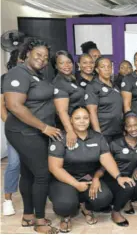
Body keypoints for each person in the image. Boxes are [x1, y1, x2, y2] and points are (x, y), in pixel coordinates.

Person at [3, 39, 62, 234]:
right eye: (38, 55)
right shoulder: (17, 73)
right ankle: (40, 221)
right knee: (42, 174)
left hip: (33, 131)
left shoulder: (34, 74)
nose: (42, 59)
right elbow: (14, 106)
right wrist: (44, 127)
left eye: (45, 57)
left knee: (28, 173)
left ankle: (28, 215)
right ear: (27, 53)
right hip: (25, 132)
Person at [48, 107, 135, 233]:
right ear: (71, 120)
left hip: (88, 178)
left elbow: (107, 159)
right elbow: (54, 168)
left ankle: (85, 206)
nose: (82, 121)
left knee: (104, 198)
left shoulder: (97, 137)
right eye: (77, 118)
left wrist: (118, 176)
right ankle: (66, 216)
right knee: (65, 205)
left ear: (90, 120)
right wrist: (75, 184)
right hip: (64, 180)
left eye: (85, 118)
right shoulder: (60, 138)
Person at [96, 112, 137, 227]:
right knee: (128, 186)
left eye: (136, 125)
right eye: (129, 126)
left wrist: (136, 168)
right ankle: (116, 212)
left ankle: (125, 200)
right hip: (112, 178)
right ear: (125, 128)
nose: (133, 129)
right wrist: (96, 177)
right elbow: (104, 166)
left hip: (129, 176)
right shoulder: (114, 144)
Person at [1, 49, 24, 216]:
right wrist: (10, 124)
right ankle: (7, 200)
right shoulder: (6, 78)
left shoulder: (35, 77)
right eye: (22, 60)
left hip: (34, 128)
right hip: (15, 128)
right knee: (14, 162)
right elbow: (2, 105)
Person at [52, 50, 86, 150]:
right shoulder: (59, 83)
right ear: (56, 66)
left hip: (79, 125)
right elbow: (61, 111)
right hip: (68, 128)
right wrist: (70, 131)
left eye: (69, 62)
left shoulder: (71, 79)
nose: (66, 65)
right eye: (61, 63)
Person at [85, 57, 123, 143]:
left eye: (109, 66)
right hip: (104, 132)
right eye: (103, 67)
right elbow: (92, 112)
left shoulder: (115, 86)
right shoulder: (92, 86)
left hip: (118, 131)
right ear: (97, 70)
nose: (107, 69)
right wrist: (98, 134)